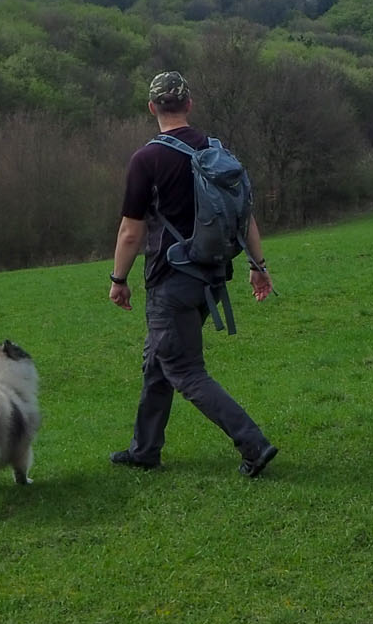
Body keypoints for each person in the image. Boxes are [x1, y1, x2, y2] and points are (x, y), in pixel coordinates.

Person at [107, 71, 279, 478]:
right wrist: (259, 267)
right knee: (159, 360)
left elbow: (131, 231)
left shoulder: (146, 159)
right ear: (189, 104)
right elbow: (245, 216)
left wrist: (118, 280)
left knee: (184, 368)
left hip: (172, 279)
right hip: (212, 275)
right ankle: (145, 449)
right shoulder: (218, 151)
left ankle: (253, 444)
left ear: (152, 108)